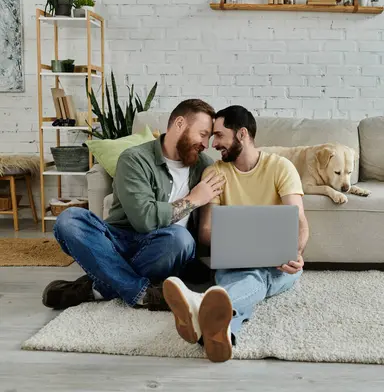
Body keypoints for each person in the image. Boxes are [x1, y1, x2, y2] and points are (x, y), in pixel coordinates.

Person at [42, 99, 225, 311]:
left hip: (166, 250)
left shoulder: (205, 166)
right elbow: (144, 220)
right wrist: (193, 199)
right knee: (70, 219)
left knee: (180, 239)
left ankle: (96, 287)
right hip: (121, 241)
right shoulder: (135, 159)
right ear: (180, 124)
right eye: (202, 134)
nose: (206, 144)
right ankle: (143, 293)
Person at [162, 105, 309, 363]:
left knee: (258, 276)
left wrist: (296, 252)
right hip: (233, 263)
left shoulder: (280, 168)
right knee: (250, 279)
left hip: (279, 266)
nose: (213, 144)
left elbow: (299, 221)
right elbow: (206, 232)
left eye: (219, 135)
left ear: (241, 134)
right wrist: (245, 248)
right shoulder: (215, 173)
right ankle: (223, 336)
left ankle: (199, 305)